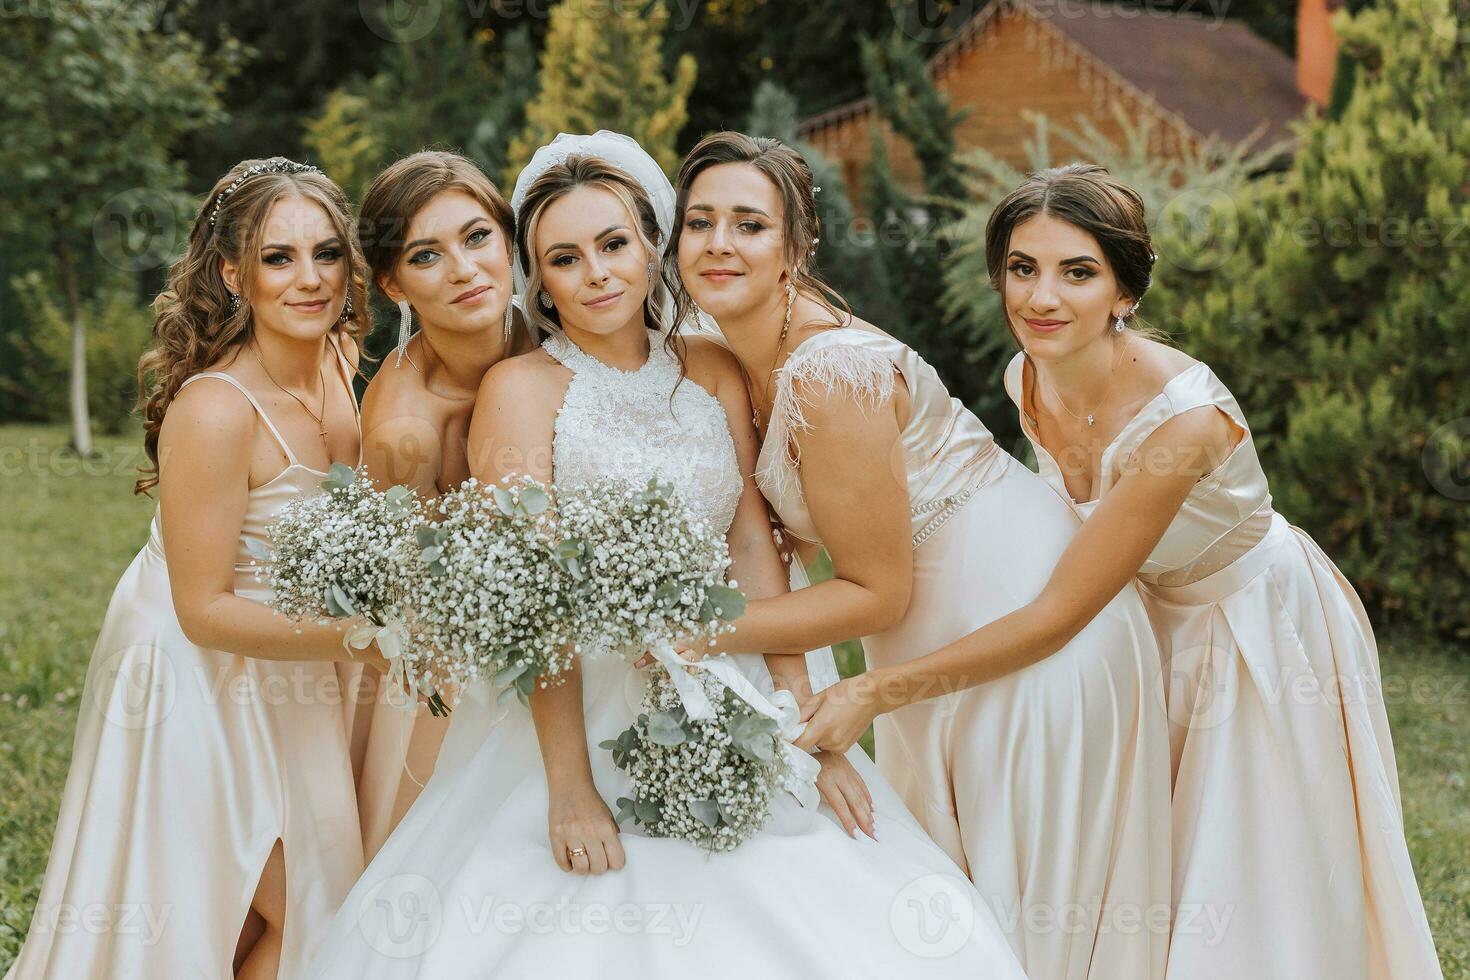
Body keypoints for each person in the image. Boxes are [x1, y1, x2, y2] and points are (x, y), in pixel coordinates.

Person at [303, 132, 1026, 978]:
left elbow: (755, 548)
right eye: (565, 259)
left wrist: (805, 723)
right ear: (539, 279)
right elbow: (529, 600)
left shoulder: (711, 367)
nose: (598, 272)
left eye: (615, 244)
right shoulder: (519, 390)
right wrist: (570, 787)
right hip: (581, 699)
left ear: (652, 244)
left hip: (733, 673)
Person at [814, 162, 1440, 979]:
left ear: (1125, 292)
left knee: (1243, 868)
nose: (1042, 298)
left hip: (1242, 624)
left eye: (1078, 273)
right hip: (1133, 608)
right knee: (1147, 848)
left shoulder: (1185, 422)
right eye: (1022, 269)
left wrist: (874, 689)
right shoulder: (1027, 374)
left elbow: (1061, 611)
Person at [672, 132, 1171, 979]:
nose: (720, 243)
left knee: (1023, 915)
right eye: (699, 222)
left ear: (796, 246)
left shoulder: (828, 373)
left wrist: (690, 631)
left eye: (749, 224)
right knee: (956, 909)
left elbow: (875, 593)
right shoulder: (724, 351)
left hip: (1019, 631)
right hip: (933, 654)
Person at [5, 158, 391, 980]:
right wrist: (364, 637)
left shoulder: (341, 355)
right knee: (258, 908)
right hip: (193, 675)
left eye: (326, 253)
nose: (310, 279)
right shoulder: (215, 410)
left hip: (292, 663)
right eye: (278, 258)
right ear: (231, 272)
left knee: (318, 910)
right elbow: (202, 608)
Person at [341, 151, 533, 861]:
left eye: (477, 237)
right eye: (427, 255)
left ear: (509, 241)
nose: (464, 269)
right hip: (468, 651)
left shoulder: (565, 325)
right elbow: (424, 610)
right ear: (393, 283)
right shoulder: (408, 430)